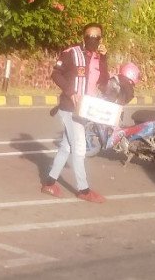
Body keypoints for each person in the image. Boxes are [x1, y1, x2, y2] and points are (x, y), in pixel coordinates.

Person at [41, 22, 110, 203]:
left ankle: (49, 183)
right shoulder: (71, 53)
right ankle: (83, 189)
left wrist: (104, 58)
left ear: (100, 39)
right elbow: (56, 74)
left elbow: (104, 82)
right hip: (69, 108)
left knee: (66, 147)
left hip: (85, 109)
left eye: (96, 37)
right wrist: (71, 92)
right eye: (89, 37)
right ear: (83, 38)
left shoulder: (97, 58)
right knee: (79, 148)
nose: (93, 40)